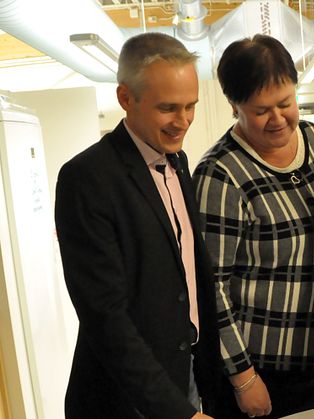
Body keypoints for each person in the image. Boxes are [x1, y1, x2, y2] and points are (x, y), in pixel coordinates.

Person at [55, 33, 220, 419]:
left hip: (185, 374)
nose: (184, 122)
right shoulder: (87, 178)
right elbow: (105, 315)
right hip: (125, 396)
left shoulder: (177, 163)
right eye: (169, 108)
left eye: (191, 106)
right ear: (126, 99)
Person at [192, 35, 314, 419]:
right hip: (259, 365)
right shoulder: (220, 175)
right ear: (234, 106)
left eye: (285, 103)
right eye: (260, 110)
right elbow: (212, 289)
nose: (278, 119)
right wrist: (243, 377)